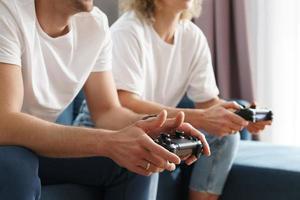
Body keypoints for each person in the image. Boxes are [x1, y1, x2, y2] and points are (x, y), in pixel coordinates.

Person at [0, 0, 211, 200]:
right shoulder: (8, 12)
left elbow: (107, 111)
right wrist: (107, 142)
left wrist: (154, 127)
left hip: (37, 146)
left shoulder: (95, 24)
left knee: (139, 159)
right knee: (16, 166)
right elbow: (5, 123)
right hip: (7, 145)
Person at [74, 0, 272, 200]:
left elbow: (208, 103)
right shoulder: (128, 31)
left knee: (225, 137)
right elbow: (125, 102)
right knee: (147, 147)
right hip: (107, 126)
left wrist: (241, 115)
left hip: (155, 125)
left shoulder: (192, 37)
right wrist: (201, 117)